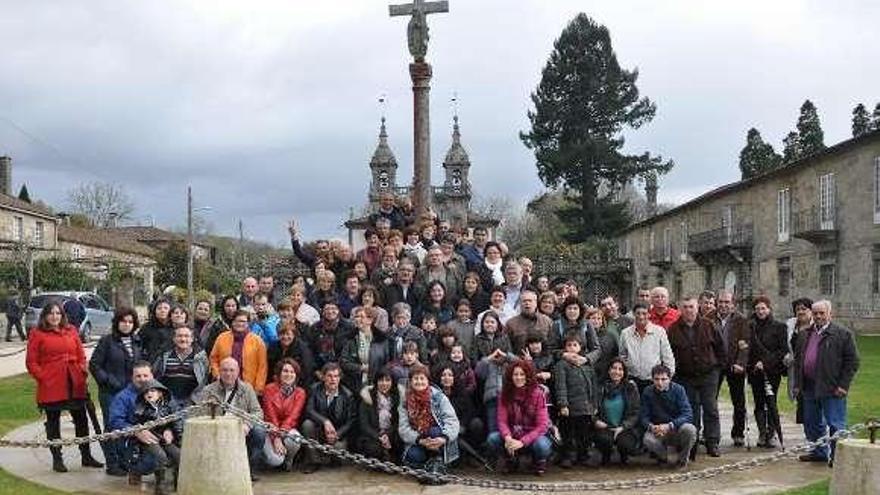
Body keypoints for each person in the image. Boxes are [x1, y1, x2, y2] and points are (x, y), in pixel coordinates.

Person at [26, 301, 104, 473]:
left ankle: (86, 455)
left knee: (81, 420)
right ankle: (57, 459)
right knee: (53, 422)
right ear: (45, 315)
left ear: (63, 315)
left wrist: (82, 370)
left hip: (74, 380)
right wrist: (44, 377)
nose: (55, 316)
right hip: (52, 384)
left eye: (58, 313)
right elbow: (31, 362)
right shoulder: (37, 334)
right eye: (51, 313)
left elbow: (81, 355)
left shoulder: (72, 330)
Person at [793, 300, 859, 465]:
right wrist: (797, 384)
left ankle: (838, 458)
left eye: (822, 313)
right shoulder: (804, 334)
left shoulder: (842, 334)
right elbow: (799, 360)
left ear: (830, 314)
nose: (818, 316)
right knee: (811, 422)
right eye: (815, 313)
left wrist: (843, 385)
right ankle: (819, 452)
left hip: (832, 387)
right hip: (809, 386)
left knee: (836, 424)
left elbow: (852, 362)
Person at [667, 296, 726, 458]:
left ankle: (712, 442)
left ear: (697, 308)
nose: (688, 310)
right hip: (685, 377)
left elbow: (721, 348)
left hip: (708, 374)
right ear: (680, 309)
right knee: (690, 410)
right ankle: (691, 444)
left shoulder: (709, 326)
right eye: (685, 307)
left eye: (691, 307)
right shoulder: (672, 330)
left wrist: (718, 368)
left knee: (710, 408)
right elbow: (669, 353)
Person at [88, 307, 142, 476]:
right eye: (123, 321)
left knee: (128, 426)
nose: (127, 325)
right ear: (117, 322)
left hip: (131, 392)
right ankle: (112, 463)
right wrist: (109, 381)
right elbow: (94, 365)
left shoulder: (136, 341)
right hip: (111, 392)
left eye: (130, 322)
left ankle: (124, 460)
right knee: (113, 426)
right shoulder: (107, 341)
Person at [198, 358, 266, 480]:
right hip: (218, 428)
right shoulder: (208, 390)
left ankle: (250, 469)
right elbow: (201, 414)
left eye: (231, 370)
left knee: (259, 432)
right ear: (219, 371)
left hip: (241, 427)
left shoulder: (247, 389)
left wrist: (248, 425)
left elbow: (257, 412)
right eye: (224, 370)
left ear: (238, 372)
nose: (228, 374)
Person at [487, 359, 553, 475]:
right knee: (493, 438)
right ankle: (511, 459)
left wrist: (522, 442)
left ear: (528, 376)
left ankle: (539, 461)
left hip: (533, 436)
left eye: (522, 374)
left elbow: (542, 425)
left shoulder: (538, 394)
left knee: (542, 445)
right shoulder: (504, 394)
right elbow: (502, 421)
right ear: (510, 377)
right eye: (515, 374)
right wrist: (507, 438)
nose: (518, 378)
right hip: (513, 434)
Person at [398, 364, 460, 480]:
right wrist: (419, 440)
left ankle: (439, 461)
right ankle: (428, 463)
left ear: (427, 380)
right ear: (410, 381)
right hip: (419, 439)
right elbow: (403, 428)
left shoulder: (438, 397)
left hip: (439, 438)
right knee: (414, 456)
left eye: (422, 378)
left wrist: (444, 438)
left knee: (433, 431)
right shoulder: (405, 401)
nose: (419, 382)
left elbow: (452, 421)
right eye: (415, 379)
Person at [109, 361, 163, 484]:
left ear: (152, 376)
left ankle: (164, 476)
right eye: (138, 376)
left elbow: (174, 412)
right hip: (134, 441)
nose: (142, 379)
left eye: (145, 375)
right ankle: (135, 470)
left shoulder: (161, 392)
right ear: (132, 378)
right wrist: (136, 431)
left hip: (160, 435)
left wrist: (170, 431)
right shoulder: (122, 397)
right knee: (153, 460)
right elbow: (114, 421)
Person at [747, 296, 789, 449]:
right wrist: (753, 364)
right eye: (757, 309)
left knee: (771, 402)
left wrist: (765, 363)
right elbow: (748, 349)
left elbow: (782, 350)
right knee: (759, 402)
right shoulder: (750, 326)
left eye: (763, 308)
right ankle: (762, 433)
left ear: (769, 309)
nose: (760, 311)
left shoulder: (779, 327)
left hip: (772, 371)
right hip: (755, 371)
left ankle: (772, 433)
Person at [711, 289, 751, 447]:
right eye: (721, 302)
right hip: (716, 364)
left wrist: (741, 363)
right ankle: (712, 434)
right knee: (710, 401)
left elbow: (745, 343)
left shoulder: (741, 320)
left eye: (727, 302)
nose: (723, 305)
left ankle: (738, 433)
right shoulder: (709, 318)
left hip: (735, 364)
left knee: (739, 402)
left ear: (733, 304)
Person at [301, 363, 356, 473]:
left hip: (337, 433)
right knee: (307, 425)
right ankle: (314, 461)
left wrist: (337, 434)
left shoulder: (347, 395)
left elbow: (351, 420)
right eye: (329, 376)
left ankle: (332, 459)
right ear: (323, 377)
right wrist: (325, 422)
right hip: (319, 430)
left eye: (336, 376)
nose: (333, 380)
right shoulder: (314, 389)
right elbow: (309, 410)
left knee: (338, 449)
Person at [640, 364, 697, 468]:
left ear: (670, 379)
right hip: (658, 430)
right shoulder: (647, 391)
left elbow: (687, 414)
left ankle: (682, 460)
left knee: (690, 429)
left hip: (676, 428)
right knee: (647, 439)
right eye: (656, 379)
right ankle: (663, 457)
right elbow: (643, 416)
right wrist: (652, 427)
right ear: (652, 379)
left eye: (664, 379)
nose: (660, 383)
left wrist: (670, 425)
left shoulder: (679, 390)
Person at [554, 335, 598, 468]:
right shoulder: (561, 365)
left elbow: (593, 386)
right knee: (568, 433)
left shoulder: (587, 365)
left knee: (584, 433)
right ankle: (568, 456)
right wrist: (563, 404)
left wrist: (594, 404)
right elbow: (560, 386)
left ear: (580, 347)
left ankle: (583, 455)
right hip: (570, 407)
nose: (572, 348)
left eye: (575, 345)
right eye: (569, 345)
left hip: (585, 407)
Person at [131, 380, 181, 495]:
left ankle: (177, 481)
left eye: (153, 391)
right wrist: (141, 429)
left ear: (160, 393)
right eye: (146, 392)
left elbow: (175, 422)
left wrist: (170, 431)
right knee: (160, 456)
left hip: (164, 437)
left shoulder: (167, 406)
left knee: (178, 454)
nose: (149, 393)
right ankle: (160, 484)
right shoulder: (141, 408)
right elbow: (136, 423)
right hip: (149, 438)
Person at [593, 358, 642, 465]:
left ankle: (624, 455)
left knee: (626, 444)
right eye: (614, 368)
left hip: (624, 427)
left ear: (624, 372)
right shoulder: (599, 387)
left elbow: (636, 412)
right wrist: (595, 420)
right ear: (608, 370)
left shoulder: (630, 388)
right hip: (605, 426)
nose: (617, 372)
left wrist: (623, 426)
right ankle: (606, 454)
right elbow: (591, 408)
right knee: (603, 440)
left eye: (620, 369)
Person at [261, 358, 307, 471]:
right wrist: (276, 437)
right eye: (285, 371)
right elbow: (270, 415)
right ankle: (273, 458)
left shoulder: (300, 393)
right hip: (270, 429)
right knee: (275, 460)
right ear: (279, 373)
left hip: (287, 429)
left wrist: (282, 433)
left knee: (295, 439)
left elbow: (293, 416)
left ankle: (289, 459)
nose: (289, 374)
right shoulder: (269, 389)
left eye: (292, 372)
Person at [619, 303, 676, 392]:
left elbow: (667, 356)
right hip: (633, 379)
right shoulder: (625, 333)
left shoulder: (659, 332)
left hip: (654, 380)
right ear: (633, 314)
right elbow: (622, 355)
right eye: (638, 313)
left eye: (644, 313)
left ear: (649, 314)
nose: (641, 317)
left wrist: (667, 378)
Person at [210, 309, 268, 394]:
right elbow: (213, 359)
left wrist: (258, 388)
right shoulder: (221, 338)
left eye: (243, 321)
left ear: (248, 323)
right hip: (223, 385)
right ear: (232, 322)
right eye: (236, 321)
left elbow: (262, 367)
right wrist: (217, 374)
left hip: (248, 387)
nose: (240, 324)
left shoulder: (258, 341)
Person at [436, 364, 484, 462]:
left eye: (450, 375)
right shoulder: (435, 395)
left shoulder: (462, 393)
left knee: (476, 424)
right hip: (444, 429)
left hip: (461, 427)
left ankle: (475, 453)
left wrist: (461, 426)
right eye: (443, 375)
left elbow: (469, 412)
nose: (446, 378)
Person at [153, 326, 209, 406]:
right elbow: (156, 378)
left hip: (192, 402)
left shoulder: (201, 358)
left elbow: (204, 381)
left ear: (192, 339)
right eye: (179, 336)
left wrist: (195, 400)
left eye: (186, 336)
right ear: (174, 339)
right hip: (167, 402)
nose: (183, 339)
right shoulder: (164, 356)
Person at [340, 306, 391, 393]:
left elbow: (387, 361)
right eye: (356, 316)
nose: (357, 319)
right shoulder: (349, 338)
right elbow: (344, 361)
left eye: (361, 317)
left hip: (377, 381)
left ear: (370, 320)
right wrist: (361, 368)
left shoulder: (382, 339)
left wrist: (376, 371)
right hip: (354, 382)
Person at [357, 368, 401, 463]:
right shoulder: (367, 397)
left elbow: (397, 422)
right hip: (373, 435)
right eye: (381, 380)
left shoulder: (396, 397)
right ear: (376, 382)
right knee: (374, 449)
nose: (384, 384)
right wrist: (379, 437)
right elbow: (364, 424)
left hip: (391, 433)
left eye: (387, 380)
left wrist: (387, 435)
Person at [306, 301, 355, 375]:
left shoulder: (349, 327)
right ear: (322, 312)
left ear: (338, 311)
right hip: (320, 368)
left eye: (333, 308)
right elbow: (310, 351)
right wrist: (316, 371)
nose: (330, 311)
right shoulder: (315, 328)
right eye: (327, 309)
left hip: (344, 368)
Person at [267, 320, 315, 387]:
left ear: (293, 335)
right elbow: (270, 368)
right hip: (277, 384)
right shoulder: (273, 347)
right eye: (282, 334)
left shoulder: (303, 349)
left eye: (288, 334)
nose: (285, 337)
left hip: (298, 385)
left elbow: (307, 372)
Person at [505, 290, 553, 355]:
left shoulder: (547, 321)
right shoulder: (511, 324)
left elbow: (552, 345)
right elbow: (508, 348)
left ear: (536, 303)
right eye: (524, 301)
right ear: (520, 304)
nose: (527, 303)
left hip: (544, 361)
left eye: (530, 301)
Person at [140, 298, 174, 364]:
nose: (162, 310)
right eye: (159, 308)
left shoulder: (174, 327)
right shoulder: (146, 328)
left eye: (165, 308)